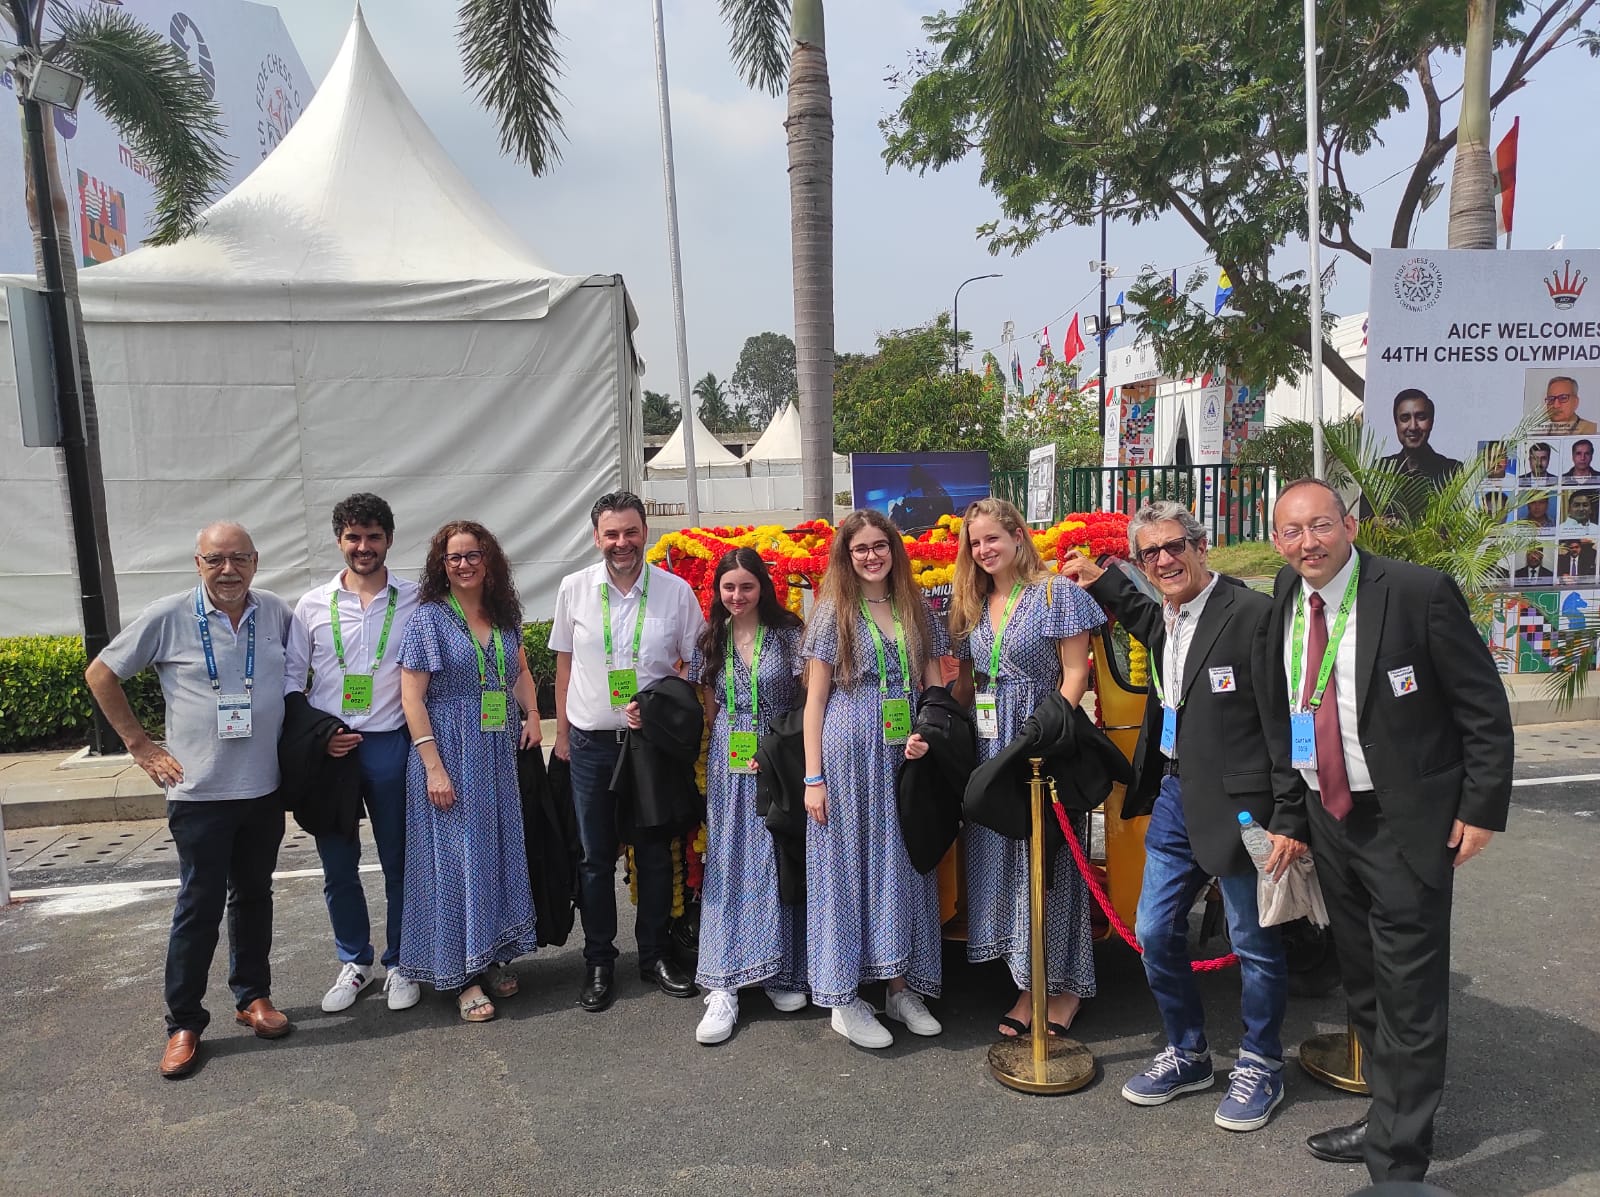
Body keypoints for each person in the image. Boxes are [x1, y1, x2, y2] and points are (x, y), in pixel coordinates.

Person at [1268, 479, 1513, 1183]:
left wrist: (1481, 807)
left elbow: (1482, 707)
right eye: (1291, 531)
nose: (1306, 542)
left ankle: (1398, 1164)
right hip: (1329, 816)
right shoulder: (1287, 599)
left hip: (1406, 822)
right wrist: (1295, 811)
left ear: (1348, 524)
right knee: (1367, 984)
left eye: (1319, 526)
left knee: (1409, 991)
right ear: (1278, 540)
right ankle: (1390, 1116)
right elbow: (1287, 712)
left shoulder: (1416, 592)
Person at [1060, 502, 1307, 1133]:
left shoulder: (1252, 613)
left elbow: (1286, 723)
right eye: (1151, 554)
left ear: (1201, 546)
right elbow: (1145, 616)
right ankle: (1189, 1051)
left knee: (1254, 941)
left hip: (1247, 807)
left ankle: (1260, 1062)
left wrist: (1289, 817)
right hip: (1174, 796)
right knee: (1155, 929)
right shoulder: (1166, 615)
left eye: (1175, 547)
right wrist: (1102, 575)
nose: (1165, 561)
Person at [84, 522, 294, 1079]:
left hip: (263, 789)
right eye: (216, 560)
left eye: (240, 559)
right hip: (199, 792)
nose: (229, 570)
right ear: (197, 564)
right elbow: (101, 673)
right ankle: (184, 1022)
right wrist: (140, 745)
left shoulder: (274, 611)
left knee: (254, 896)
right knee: (198, 906)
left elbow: (300, 677)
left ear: (256, 560)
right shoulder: (169, 615)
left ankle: (253, 997)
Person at [947, 498, 1104, 1039]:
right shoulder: (973, 602)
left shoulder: (1055, 594)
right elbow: (969, 686)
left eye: (993, 537)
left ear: (1018, 534)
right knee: (1010, 870)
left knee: (1051, 869)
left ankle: (1064, 990)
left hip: (1040, 744)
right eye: (975, 542)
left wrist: (1039, 742)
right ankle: (1028, 984)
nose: (984, 550)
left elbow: (1074, 675)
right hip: (992, 747)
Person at [549, 491, 705, 1012]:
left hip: (650, 747)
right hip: (592, 743)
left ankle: (655, 956)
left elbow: (694, 665)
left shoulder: (675, 591)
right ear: (597, 537)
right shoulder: (573, 590)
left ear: (646, 533)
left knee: (655, 853)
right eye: (611, 534)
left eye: (631, 532)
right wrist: (564, 737)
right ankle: (598, 960)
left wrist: (661, 708)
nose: (622, 543)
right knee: (593, 857)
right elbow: (565, 669)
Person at [802, 509, 950, 1048]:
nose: (870, 556)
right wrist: (812, 778)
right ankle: (843, 998)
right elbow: (815, 700)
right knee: (845, 870)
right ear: (846, 555)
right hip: (846, 757)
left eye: (879, 546)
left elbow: (931, 681)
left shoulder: (914, 606)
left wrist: (930, 731)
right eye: (859, 548)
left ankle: (898, 986)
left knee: (900, 864)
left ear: (894, 549)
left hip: (903, 755)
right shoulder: (831, 612)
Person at [397, 520, 541, 1022]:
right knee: (455, 864)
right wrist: (433, 768)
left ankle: (493, 950)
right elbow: (411, 698)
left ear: (489, 560)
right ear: (442, 564)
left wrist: (533, 714)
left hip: (496, 755)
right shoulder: (428, 620)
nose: (464, 564)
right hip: (450, 755)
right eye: (454, 556)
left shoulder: (502, 615)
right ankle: (462, 975)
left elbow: (519, 669)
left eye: (473, 554)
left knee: (494, 853)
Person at [285, 493, 422, 1015]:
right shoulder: (313, 605)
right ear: (339, 540)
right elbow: (293, 683)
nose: (363, 547)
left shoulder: (416, 599)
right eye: (353, 537)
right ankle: (355, 961)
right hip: (333, 750)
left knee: (399, 863)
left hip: (391, 743)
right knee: (338, 865)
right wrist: (320, 735)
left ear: (388, 539)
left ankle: (403, 961)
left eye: (373, 537)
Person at [686, 548, 809, 1044]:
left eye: (747, 587)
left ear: (764, 586)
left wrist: (778, 747)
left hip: (779, 754)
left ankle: (777, 967)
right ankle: (724, 984)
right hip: (731, 763)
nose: (737, 596)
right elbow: (711, 707)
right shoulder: (710, 638)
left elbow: (807, 698)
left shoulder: (790, 635)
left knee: (776, 856)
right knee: (731, 861)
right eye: (728, 588)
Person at [1379, 389, 1462, 484]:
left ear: (1431, 422)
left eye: (1421, 417)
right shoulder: (1381, 470)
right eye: (1405, 418)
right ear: (1396, 424)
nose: (1413, 427)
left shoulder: (1452, 471)